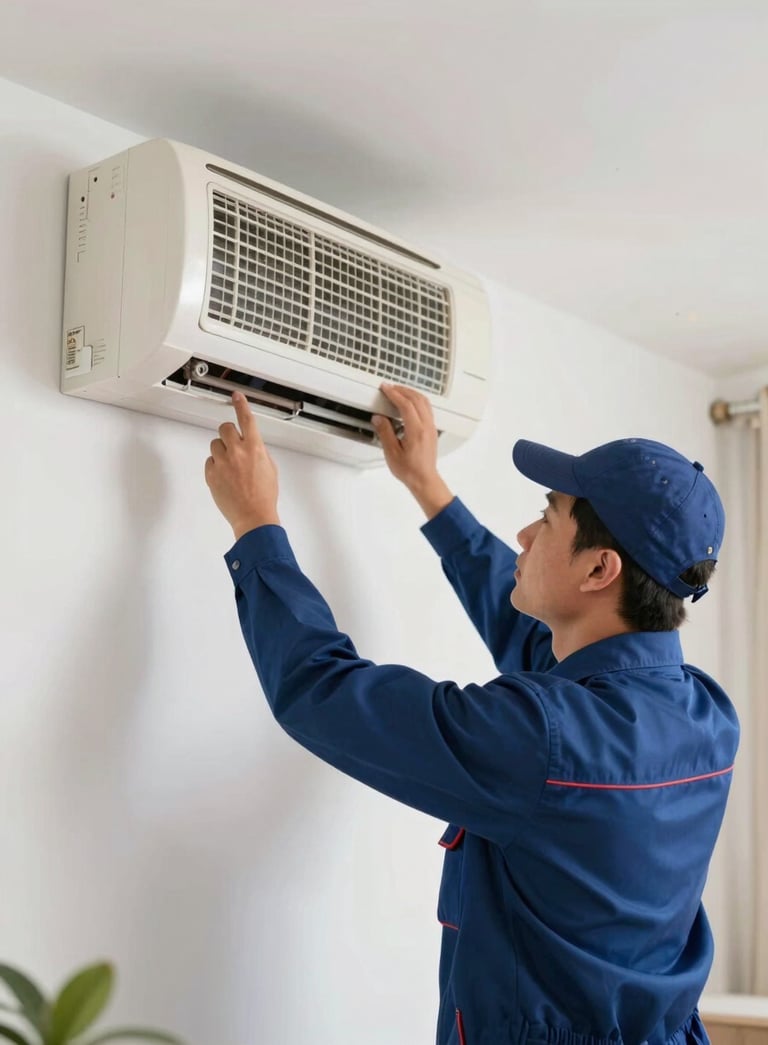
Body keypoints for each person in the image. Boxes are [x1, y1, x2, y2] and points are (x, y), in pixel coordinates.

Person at [204, 383, 739, 1045]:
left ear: (600, 569)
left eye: (547, 518)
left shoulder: (541, 739)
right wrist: (428, 487)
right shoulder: (706, 714)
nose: (524, 534)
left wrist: (256, 525)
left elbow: (324, 692)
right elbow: (538, 645)